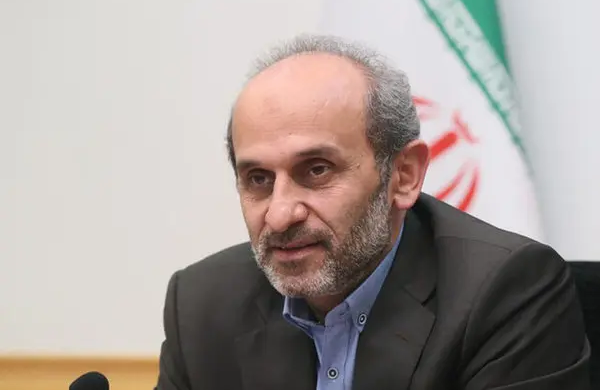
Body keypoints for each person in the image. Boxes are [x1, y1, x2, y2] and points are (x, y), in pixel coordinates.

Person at [155, 34, 590, 390]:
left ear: (403, 175)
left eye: (317, 170)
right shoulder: (201, 305)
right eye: (258, 179)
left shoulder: (506, 292)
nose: (280, 215)